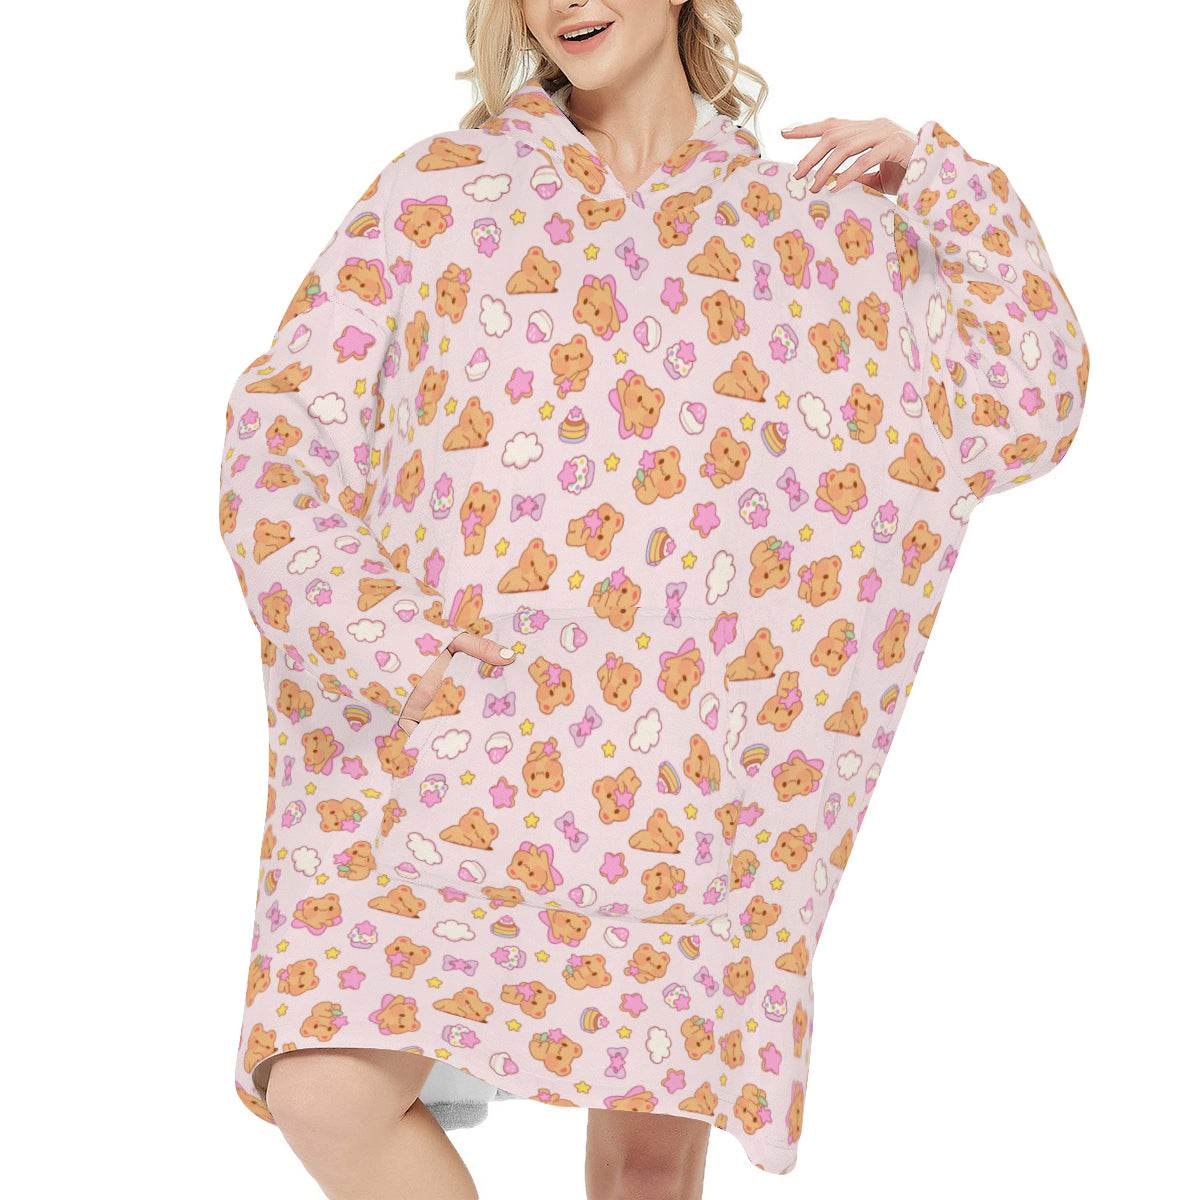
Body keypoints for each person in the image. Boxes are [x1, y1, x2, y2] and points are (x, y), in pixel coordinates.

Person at [217, 0, 1089, 1195]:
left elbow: (1027, 404)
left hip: (681, 796)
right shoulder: (439, 195)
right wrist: (391, 648)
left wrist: (945, 186)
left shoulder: (808, 232)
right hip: (442, 753)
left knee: (644, 1168)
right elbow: (279, 439)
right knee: (325, 1090)